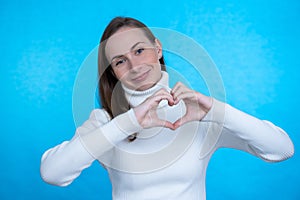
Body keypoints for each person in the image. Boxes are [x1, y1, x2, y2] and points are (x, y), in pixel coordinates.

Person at [40, 17, 294, 199]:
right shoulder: (107, 122)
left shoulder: (198, 115)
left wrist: (216, 111)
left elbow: (281, 149)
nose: (134, 65)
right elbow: (53, 173)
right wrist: (129, 122)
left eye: (139, 50)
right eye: (120, 61)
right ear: (114, 72)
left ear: (157, 48)